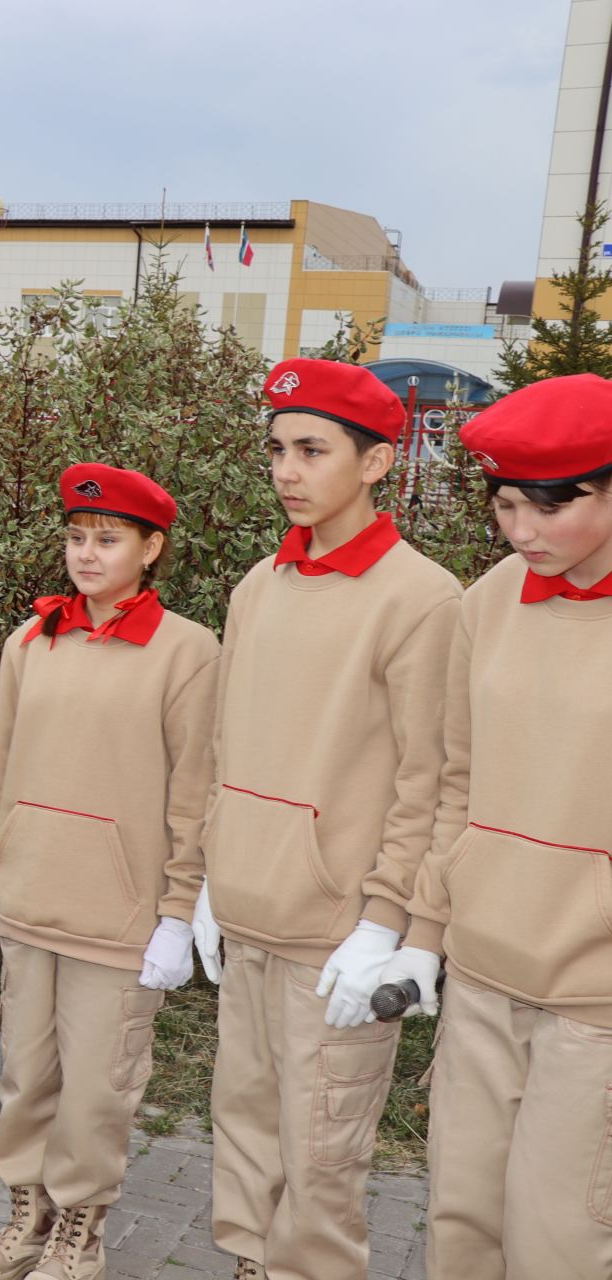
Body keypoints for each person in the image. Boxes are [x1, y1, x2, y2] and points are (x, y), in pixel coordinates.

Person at [192, 358, 461, 1280]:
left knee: (322, 1162)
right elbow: (227, 748)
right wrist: (205, 876)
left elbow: (428, 780)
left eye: (312, 449)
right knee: (246, 1129)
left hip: (337, 932)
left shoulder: (423, 598)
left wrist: (388, 921)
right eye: (276, 450)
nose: (287, 471)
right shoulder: (257, 586)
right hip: (247, 907)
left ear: (378, 461)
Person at [0, 465, 218, 1280]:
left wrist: (179, 910)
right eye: (76, 537)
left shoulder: (188, 651)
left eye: (108, 539)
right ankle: (24, 1221)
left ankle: (80, 1234)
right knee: (28, 1076)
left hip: (122, 919)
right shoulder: (30, 643)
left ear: (151, 547)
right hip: (31, 901)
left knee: (99, 1090)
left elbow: (195, 793)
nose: (87, 554)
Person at [380, 374, 612, 1275]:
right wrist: (425, 934)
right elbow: (457, 778)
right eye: (507, 505)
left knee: (558, 1240)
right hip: (479, 971)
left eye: (549, 508)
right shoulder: (487, 602)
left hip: (594, 1002)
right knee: (461, 1221)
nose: (522, 533)